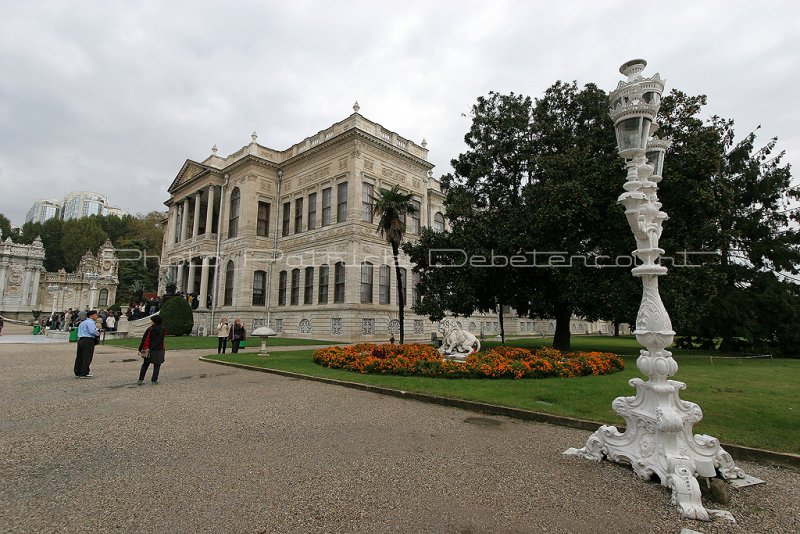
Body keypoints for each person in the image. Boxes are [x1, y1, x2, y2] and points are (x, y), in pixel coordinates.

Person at [138, 315, 166, 385]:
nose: (151, 322)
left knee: (145, 365)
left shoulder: (150, 329)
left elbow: (144, 340)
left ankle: (140, 379)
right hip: (159, 349)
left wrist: (140, 349)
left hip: (149, 349)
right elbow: (161, 339)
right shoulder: (163, 329)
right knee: (157, 365)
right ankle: (154, 380)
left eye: (152, 321)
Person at [73, 310, 101, 378]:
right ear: (91, 316)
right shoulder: (90, 322)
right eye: (95, 315)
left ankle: (78, 371)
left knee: (80, 357)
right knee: (87, 356)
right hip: (88, 340)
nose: (96, 316)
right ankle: (84, 372)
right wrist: (98, 333)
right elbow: (92, 331)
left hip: (81, 339)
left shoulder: (82, 322)